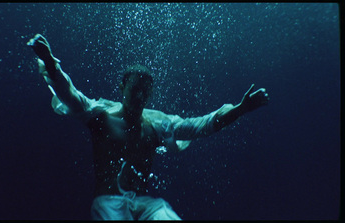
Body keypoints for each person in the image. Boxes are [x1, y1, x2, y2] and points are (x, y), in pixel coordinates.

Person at [27, 34, 269, 220]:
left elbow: (199, 126)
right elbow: (70, 94)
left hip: (143, 203)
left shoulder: (157, 124)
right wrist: (49, 61)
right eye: (135, 90)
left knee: (163, 211)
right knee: (111, 207)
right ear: (122, 87)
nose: (140, 97)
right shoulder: (100, 116)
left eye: (145, 92)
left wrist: (240, 109)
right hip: (109, 202)